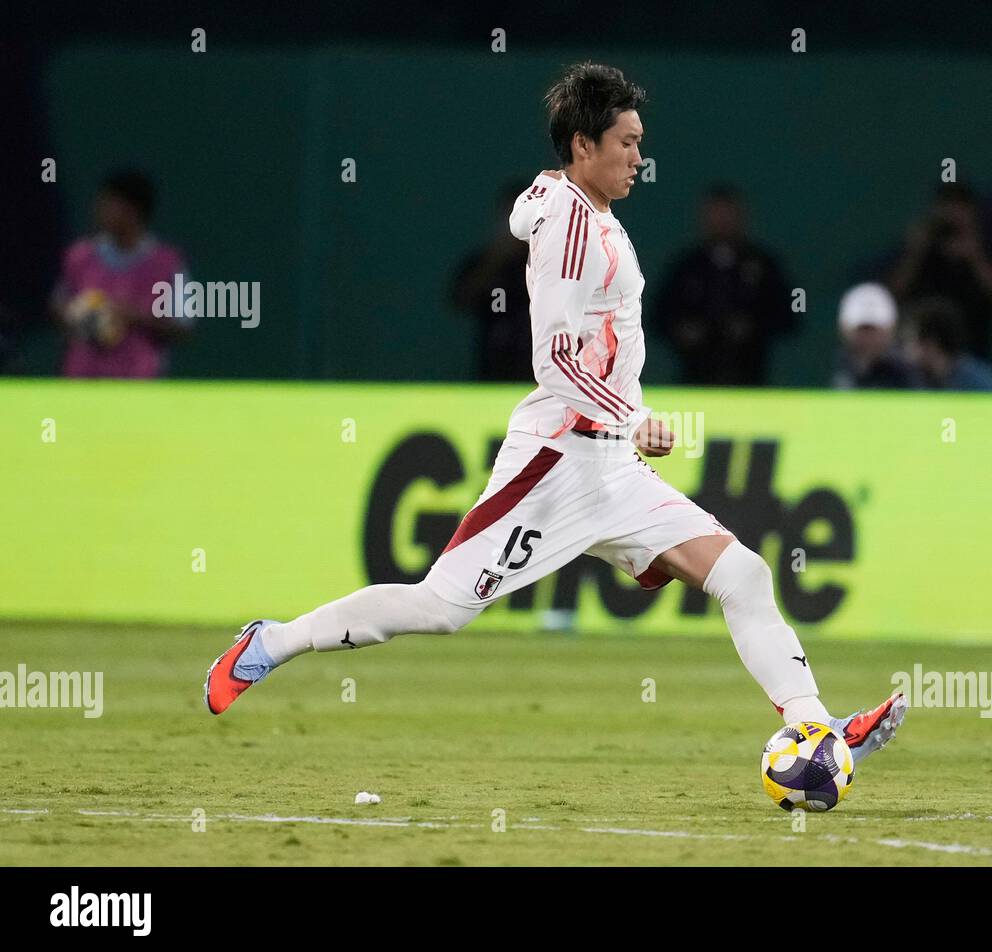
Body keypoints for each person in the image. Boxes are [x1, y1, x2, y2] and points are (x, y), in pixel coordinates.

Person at [204, 62, 906, 766]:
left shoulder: (565, 202)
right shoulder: (574, 234)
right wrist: (633, 417)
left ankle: (815, 729)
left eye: (640, 141)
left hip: (611, 469)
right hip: (555, 461)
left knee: (742, 573)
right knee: (440, 609)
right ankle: (271, 642)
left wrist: (622, 424)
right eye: (626, 143)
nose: (639, 157)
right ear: (581, 145)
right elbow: (555, 363)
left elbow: (526, 212)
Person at [51, 170, 192, 378]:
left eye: (109, 204)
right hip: (82, 380)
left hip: (138, 384)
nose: (99, 210)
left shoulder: (168, 263)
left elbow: (184, 326)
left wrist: (132, 316)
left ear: (132, 210)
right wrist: (84, 314)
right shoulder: (80, 257)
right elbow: (58, 306)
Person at [653, 185, 794, 385]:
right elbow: (658, 317)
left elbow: (789, 317)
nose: (721, 221)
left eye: (727, 214)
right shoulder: (686, 266)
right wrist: (684, 330)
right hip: (695, 379)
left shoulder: (763, 264)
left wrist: (753, 327)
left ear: (741, 216)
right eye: (715, 214)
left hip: (751, 380)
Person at [886, 182, 992, 361]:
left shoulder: (988, 254)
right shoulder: (918, 254)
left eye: (960, 208)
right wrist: (914, 254)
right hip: (917, 360)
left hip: (972, 358)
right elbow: (889, 298)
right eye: (946, 207)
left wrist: (976, 258)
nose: (953, 216)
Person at [450, 180, 534, 382]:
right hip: (494, 370)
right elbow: (460, 299)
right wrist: (495, 259)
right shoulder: (486, 260)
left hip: (540, 375)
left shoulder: (556, 262)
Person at [830, 282, 921, 389]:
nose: (867, 338)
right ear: (844, 329)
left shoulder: (907, 374)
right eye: (862, 329)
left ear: (890, 330)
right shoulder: (837, 365)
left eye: (874, 330)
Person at [904, 297, 992, 391]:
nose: (906, 347)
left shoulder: (979, 381)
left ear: (930, 343)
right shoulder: (909, 378)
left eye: (910, 339)